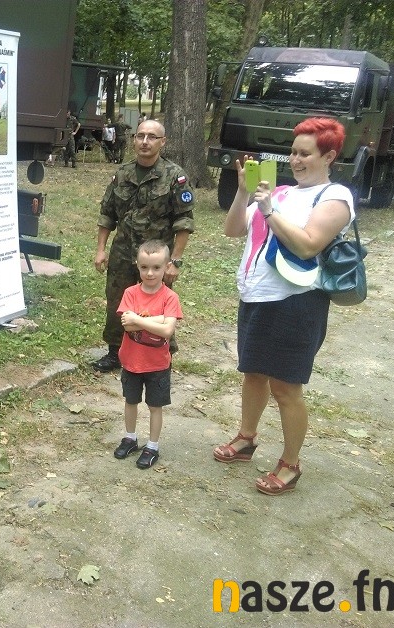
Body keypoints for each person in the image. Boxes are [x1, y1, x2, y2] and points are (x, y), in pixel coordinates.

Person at [212, 117, 355, 496]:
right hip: (256, 296)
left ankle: (291, 464)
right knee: (253, 373)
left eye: (305, 154)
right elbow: (232, 230)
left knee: (286, 388)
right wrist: (244, 193)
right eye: (293, 152)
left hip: (297, 302)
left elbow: (308, 245)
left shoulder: (335, 197)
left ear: (329, 156)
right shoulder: (282, 192)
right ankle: (246, 438)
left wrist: (270, 210)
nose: (295, 160)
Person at [91, 119, 195, 372]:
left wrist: (175, 261)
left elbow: (184, 221)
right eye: (140, 136)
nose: (145, 142)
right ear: (134, 139)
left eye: (151, 137)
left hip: (156, 258)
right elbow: (107, 215)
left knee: (157, 302)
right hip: (123, 252)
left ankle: (162, 352)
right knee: (117, 301)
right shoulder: (122, 174)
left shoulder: (175, 176)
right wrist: (101, 249)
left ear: (162, 142)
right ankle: (115, 352)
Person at [112, 240, 183, 469]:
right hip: (131, 362)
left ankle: (152, 446)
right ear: (137, 265)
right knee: (130, 401)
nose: (150, 273)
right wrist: (159, 319)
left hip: (158, 365)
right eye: (144, 267)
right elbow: (127, 326)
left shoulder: (170, 297)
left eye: (156, 267)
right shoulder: (130, 293)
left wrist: (138, 319)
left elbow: (167, 331)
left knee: (155, 406)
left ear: (167, 267)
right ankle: (130, 437)